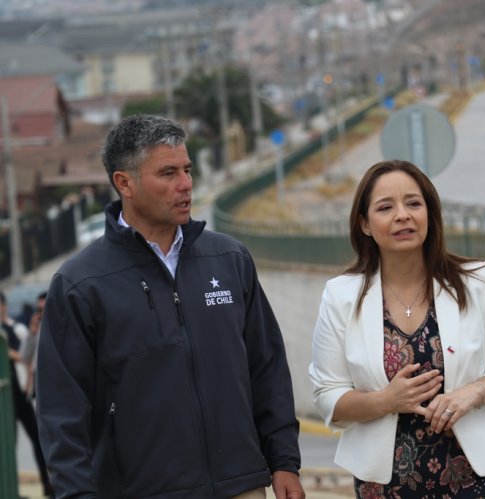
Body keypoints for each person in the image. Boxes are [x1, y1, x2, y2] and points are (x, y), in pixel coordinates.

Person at [36, 114, 305, 499]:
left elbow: (267, 368)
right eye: (167, 173)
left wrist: (283, 461)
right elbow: (61, 410)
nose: (186, 185)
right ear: (123, 183)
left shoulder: (229, 259)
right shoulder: (80, 284)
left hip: (241, 484)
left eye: (187, 170)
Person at [308, 159, 485, 497]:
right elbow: (329, 396)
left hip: (481, 477)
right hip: (385, 484)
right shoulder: (340, 296)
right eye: (386, 207)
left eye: (414, 203)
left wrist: (471, 394)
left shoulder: (477, 282)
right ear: (365, 224)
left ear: (430, 213)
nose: (403, 215)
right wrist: (387, 400)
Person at [0, 290, 53, 497]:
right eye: (38, 310)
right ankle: (10, 486)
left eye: (44, 309)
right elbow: (25, 355)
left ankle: (50, 484)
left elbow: (22, 359)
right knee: (8, 441)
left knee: (40, 439)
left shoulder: (15, 329)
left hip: (23, 393)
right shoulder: (30, 331)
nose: (41, 314)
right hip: (12, 395)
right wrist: (32, 332)